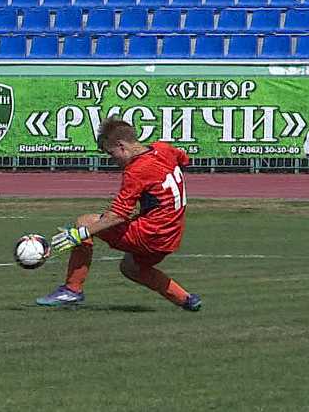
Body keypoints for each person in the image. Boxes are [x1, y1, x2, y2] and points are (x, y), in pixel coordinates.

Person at [38, 117, 202, 311]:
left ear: (122, 146)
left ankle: (71, 290)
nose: (112, 160)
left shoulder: (137, 170)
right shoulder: (163, 148)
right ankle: (186, 299)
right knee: (131, 268)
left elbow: (118, 215)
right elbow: (184, 159)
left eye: (111, 153)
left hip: (150, 235)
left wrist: (79, 235)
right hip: (171, 236)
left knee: (85, 222)